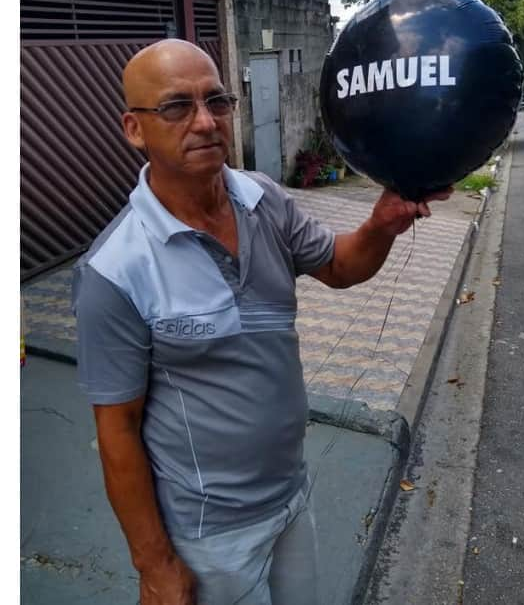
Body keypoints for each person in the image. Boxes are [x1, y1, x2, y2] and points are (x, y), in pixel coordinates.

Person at [73, 39, 452, 605]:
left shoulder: (263, 200)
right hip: (209, 532)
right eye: (177, 107)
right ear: (134, 129)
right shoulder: (115, 270)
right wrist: (154, 565)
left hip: (290, 495)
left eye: (217, 102)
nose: (205, 122)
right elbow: (117, 431)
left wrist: (381, 224)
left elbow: (339, 267)